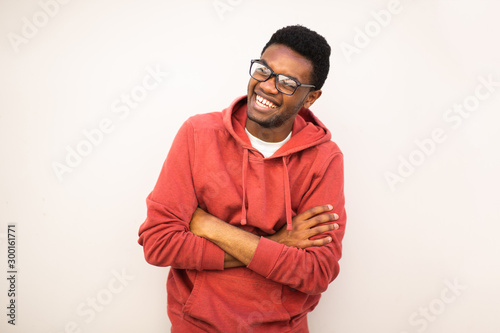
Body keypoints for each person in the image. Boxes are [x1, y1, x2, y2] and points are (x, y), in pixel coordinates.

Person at [138, 25, 346, 332]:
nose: (268, 86)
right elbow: (158, 244)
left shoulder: (324, 158)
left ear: (311, 98)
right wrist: (278, 243)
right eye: (264, 70)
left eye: (288, 83)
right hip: (196, 326)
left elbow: (316, 271)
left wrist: (211, 226)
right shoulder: (198, 134)